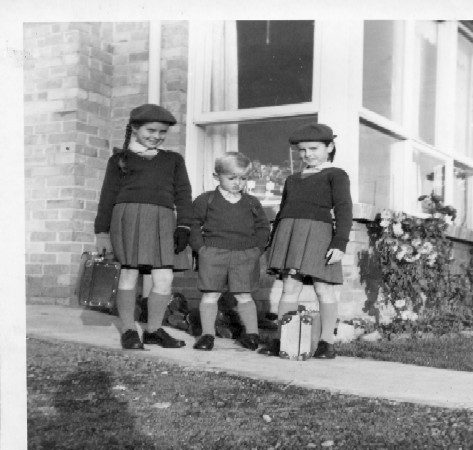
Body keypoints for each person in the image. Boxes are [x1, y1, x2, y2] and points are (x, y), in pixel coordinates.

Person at [94, 104, 193, 350]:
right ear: (135, 128)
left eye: (162, 132)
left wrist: (184, 226)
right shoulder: (119, 160)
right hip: (128, 219)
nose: (156, 136)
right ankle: (129, 330)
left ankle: (153, 330)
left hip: (162, 221)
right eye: (151, 130)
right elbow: (107, 197)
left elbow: (183, 194)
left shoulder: (173, 160)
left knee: (164, 277)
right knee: (129, 274)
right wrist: (102, 233)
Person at [261, 123, 353, 359]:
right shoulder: (292, 179)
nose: (307, 154)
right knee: (290, 287)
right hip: (290, 233)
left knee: (323, 289)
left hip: (319, 235)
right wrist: (274, 241)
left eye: (313, 148)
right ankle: (284, 337)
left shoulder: (336, 175)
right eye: (302, 150)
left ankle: (326, 342)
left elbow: (344, 209)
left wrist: (340, 242)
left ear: (329, 147)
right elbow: (282, 211)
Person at [189, 152, 270, 351]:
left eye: (243, 178)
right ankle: (207, 335)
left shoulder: (252, 203)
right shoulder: (205, 200)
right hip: (213, 254)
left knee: (244, 295)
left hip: (244, 255)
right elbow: (193, 224)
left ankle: (252, 335)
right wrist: (201, 249)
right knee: (211, 294)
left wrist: (256, 249)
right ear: (217, 177)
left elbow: (263, 227)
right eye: (231, 178)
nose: (237, 183)